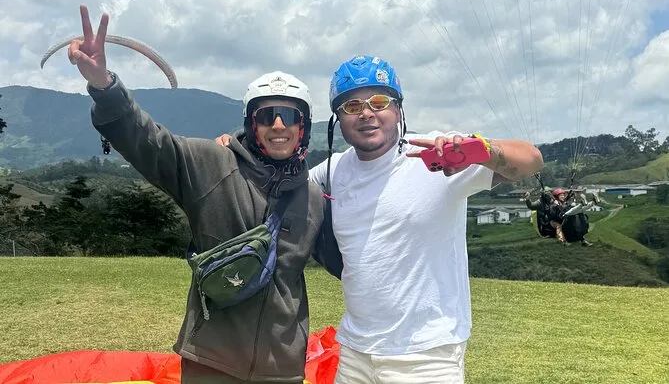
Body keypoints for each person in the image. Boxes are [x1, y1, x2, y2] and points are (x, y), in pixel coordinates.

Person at [218, 55, 544, 383]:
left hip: (427, 356)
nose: (366, 113)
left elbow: (531, 160)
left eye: (379, 102)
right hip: (355, 352)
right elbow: (277, 182)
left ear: (398, 109)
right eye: (352, 106)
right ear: (338, 120)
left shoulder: (437, 155)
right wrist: (234, 149)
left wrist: (482, 151)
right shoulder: (334, 170)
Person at [67, 5, 327, 384]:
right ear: (250, 123)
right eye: (265, 115)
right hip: (212, 361)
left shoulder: (314, 198)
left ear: (303, 127)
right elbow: (148, 142)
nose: (277, 125)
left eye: (289, 116)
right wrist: (105, 88)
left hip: (282, 368)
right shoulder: (211, 163)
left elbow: (355, 255)